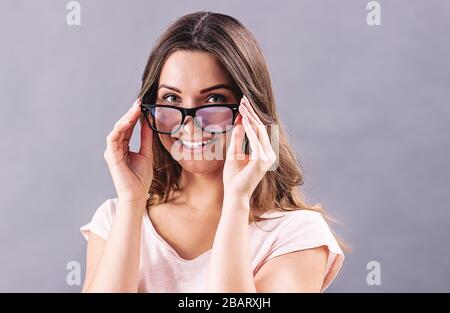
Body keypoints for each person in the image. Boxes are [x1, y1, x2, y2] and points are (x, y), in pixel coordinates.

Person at [80, 11, 346, 293]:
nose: (190, 125)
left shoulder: (296, 234)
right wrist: (132, 202)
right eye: (171, 98)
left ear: (251, 109)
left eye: (215, 99)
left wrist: (237, 199)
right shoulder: (115, 219)